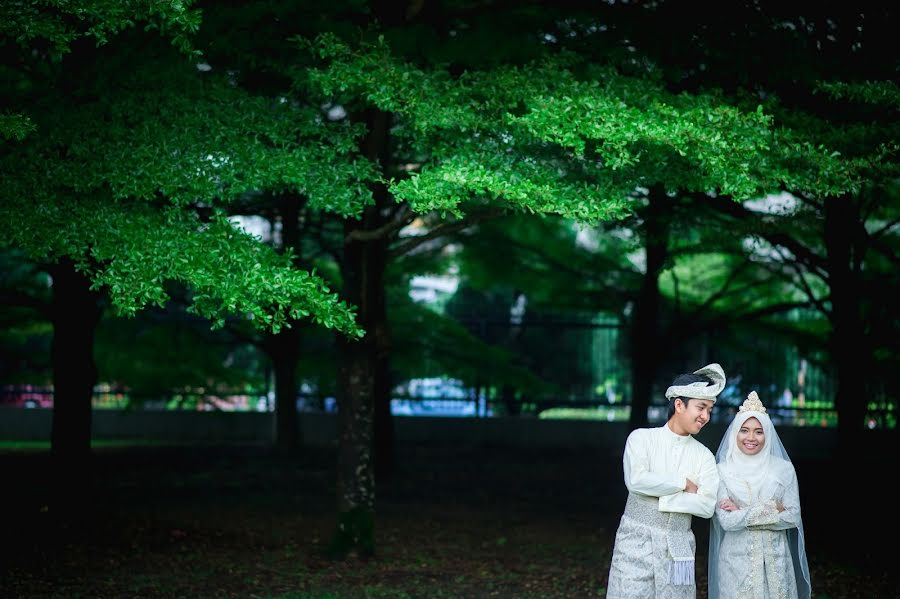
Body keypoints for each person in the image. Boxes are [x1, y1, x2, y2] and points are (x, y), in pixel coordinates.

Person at [606, 363, 725, 598]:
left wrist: (661, 499)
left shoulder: (704, 456)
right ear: (679, 404)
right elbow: (637, 481)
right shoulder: (641, 439)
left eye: (709, 410)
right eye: (701, 407)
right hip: (634, 542)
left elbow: (706, 505)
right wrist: (683, 484)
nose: (706, 416)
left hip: (680, 547)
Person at [708, 391, 811, 599]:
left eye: (758, 431)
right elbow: (727, 521)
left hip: (776, 562)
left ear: (768, 434)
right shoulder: (722, 471)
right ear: (735, 432)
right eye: (744, 430)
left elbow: (792, 516)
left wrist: (743, 512)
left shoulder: (783, 469)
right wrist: (774, 508)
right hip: (736, 564)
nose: (751, 438)